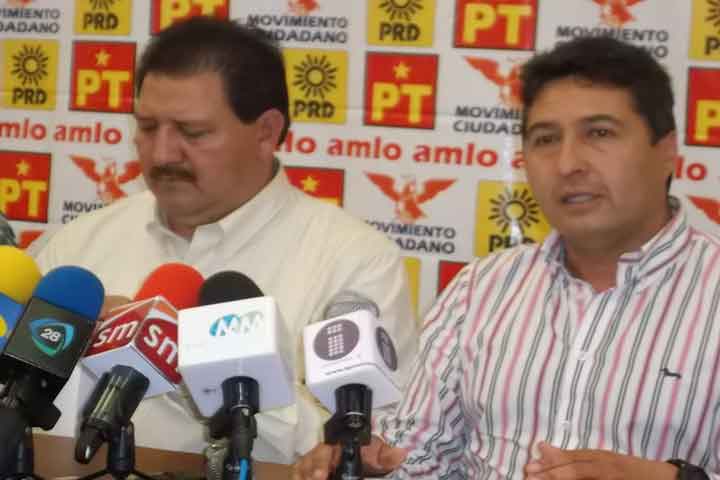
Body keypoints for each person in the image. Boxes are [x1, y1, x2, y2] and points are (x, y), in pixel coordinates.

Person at [295, 35, 720, 479]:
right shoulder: (481, 288)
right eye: (546, 139)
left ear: (667, 151)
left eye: (599, 133)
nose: (568, 163)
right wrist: (369, 463)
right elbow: (418, 456)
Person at [33, 17, 417, 465]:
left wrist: (192, 364)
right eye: (148, 127)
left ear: (266, 132)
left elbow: (363, 450)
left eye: (192, 133)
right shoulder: (80, 244)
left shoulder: (355, 263)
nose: (162, 153)